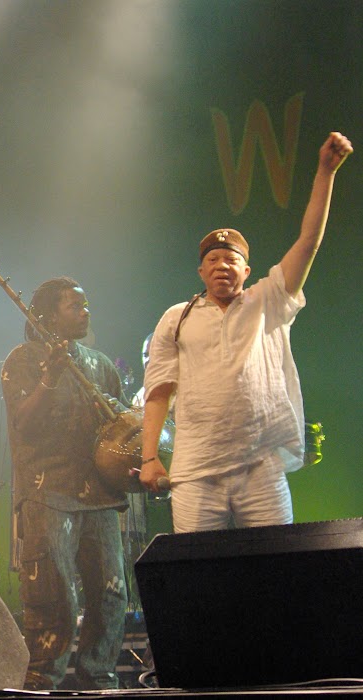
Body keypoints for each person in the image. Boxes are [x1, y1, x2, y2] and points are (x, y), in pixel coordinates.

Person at [140, 132, 353, 532]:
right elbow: (158, 392)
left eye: (231, 259)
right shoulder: (177, 317)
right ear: (201, 271)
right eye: (213, 260)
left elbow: (308, 242)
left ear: (247, 270)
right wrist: (149, 457)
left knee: (275, 562)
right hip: (195, 472)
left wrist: (326, 172)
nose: (222, 265)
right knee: (199, 567)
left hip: (262, 469)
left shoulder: (267, 300)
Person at [0, 277, 128, 690]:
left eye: (86, 305)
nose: (86, 312)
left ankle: (100, 680)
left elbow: (122, 431)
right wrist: (50, 379)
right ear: (48, 315)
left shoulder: (102, 365)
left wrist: (124, 421)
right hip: (48, 493)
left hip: (101, 496)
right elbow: (23, 423)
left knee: (111, 597)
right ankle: (42, 681)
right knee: (54, 598)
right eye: (75, 306)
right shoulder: (23, 359)